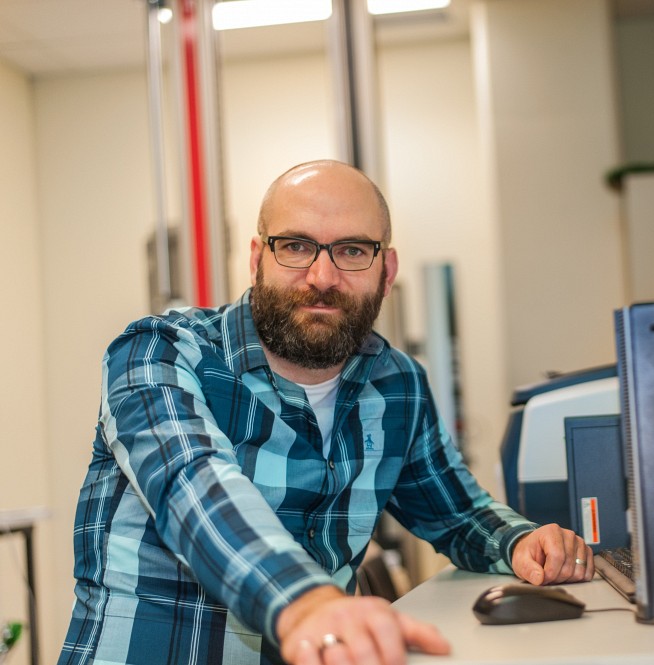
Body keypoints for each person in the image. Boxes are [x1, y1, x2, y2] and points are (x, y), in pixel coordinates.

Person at [59, 160, 594, 665]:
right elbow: (193, 485)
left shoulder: (398, 382)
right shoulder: (159, 352)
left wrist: (523, 541)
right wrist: (307, 603)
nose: (322, 276)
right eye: (295, 246)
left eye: (352, 250)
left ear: (387, 269)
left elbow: (455, 512)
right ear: (256, 258)